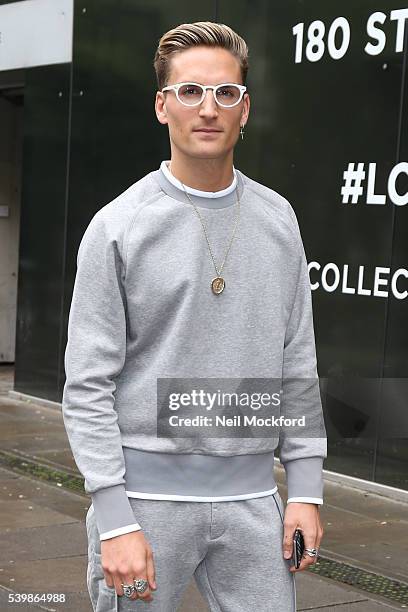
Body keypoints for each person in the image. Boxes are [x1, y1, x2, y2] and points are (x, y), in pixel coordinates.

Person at [62, 20, 327, 612]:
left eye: (225, 93)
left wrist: (306, 490)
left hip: (256, 505)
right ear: (162, 106)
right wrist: (112, 518)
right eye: (189, 91)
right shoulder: (118, 226)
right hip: (143, 509)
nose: (208, 108)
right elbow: (86, 384)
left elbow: (297, 362)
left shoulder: (278, 220)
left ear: (245, 109)